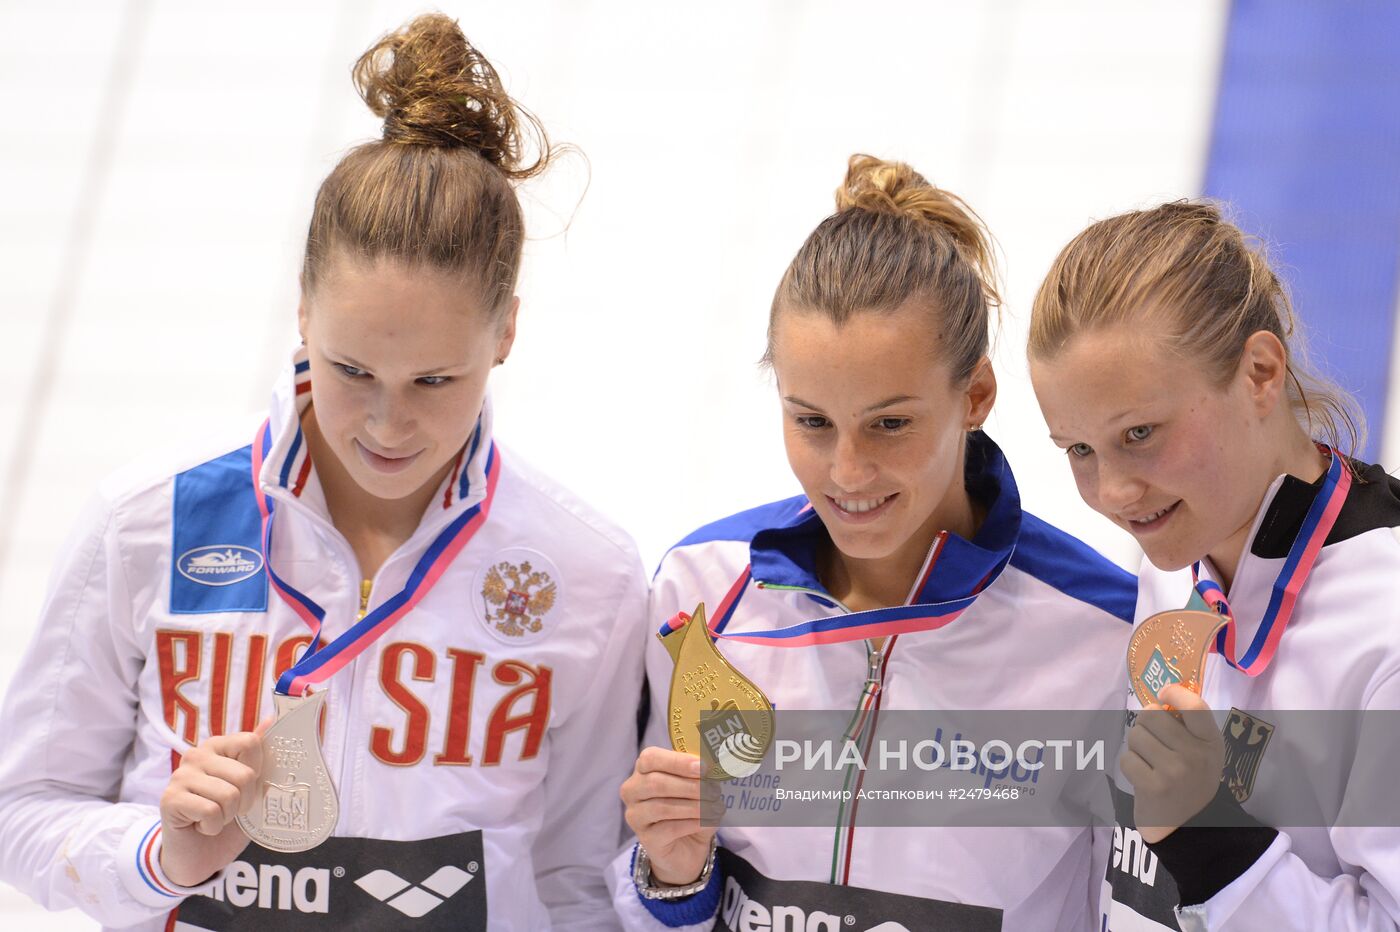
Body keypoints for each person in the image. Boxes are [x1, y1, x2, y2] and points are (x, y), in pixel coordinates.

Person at [0, 13, 645, 930]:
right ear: (302, 310)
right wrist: (158, 855)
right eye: (353, 372)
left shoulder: (591, 573)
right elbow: (23, 807)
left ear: (505, 332)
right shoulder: (148, 519)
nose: (388, 422)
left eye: (434, 379)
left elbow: (579, 881)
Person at [610, 155, 1138, 931]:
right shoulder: (700, 591)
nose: (847, 473)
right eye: (811, 421)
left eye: (890, 423)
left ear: (976, 396)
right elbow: (630, 887)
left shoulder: (1104, 636)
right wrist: (669, 880)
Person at [1028, 200, 1400, 930]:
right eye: (1079, 450)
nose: (1113, 493)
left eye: (1140, 432)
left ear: (1261, 371)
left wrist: (1213, 838)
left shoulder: (1383, 625)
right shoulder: (1175, 560)